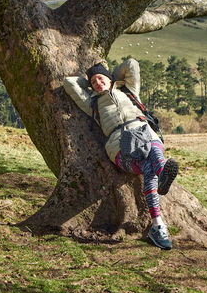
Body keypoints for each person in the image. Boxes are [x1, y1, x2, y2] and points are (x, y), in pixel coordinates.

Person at [63, 58, 179, 250]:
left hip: (144, 132)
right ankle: (162, 183)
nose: (98, 83)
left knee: (152, 164)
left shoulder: (130, 92)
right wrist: (90, 82)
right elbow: (69, 83)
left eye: (101, 79)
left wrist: (111, 78)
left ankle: (158, 223)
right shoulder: (91, 103)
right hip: (120, 143)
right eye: (94, 82)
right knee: (150, 167)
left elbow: (132, 64)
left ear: (109, 79)